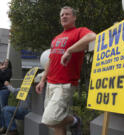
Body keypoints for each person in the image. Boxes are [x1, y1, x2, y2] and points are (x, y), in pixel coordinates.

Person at [36, 6, 96, 135]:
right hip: (50, 84)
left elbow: (92, 36)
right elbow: (50, 61)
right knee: (56, 125)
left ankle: (74, 120)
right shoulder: (56, 38)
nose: (63, 16)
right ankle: (72, 120)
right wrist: (42, 80)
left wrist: (69, 50)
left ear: (74, 17)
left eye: (67, 14)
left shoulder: (79, 31)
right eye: (62, 15)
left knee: (51, 119)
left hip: (65, 84)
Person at [0, 59, 12, 131]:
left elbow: (5, 79)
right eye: (4, 62)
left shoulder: (8, 71)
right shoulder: (1, 70)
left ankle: (4, 127)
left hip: (3, 90)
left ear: (9, 64)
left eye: (7, 62)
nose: (5, 63)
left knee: (3, 109)